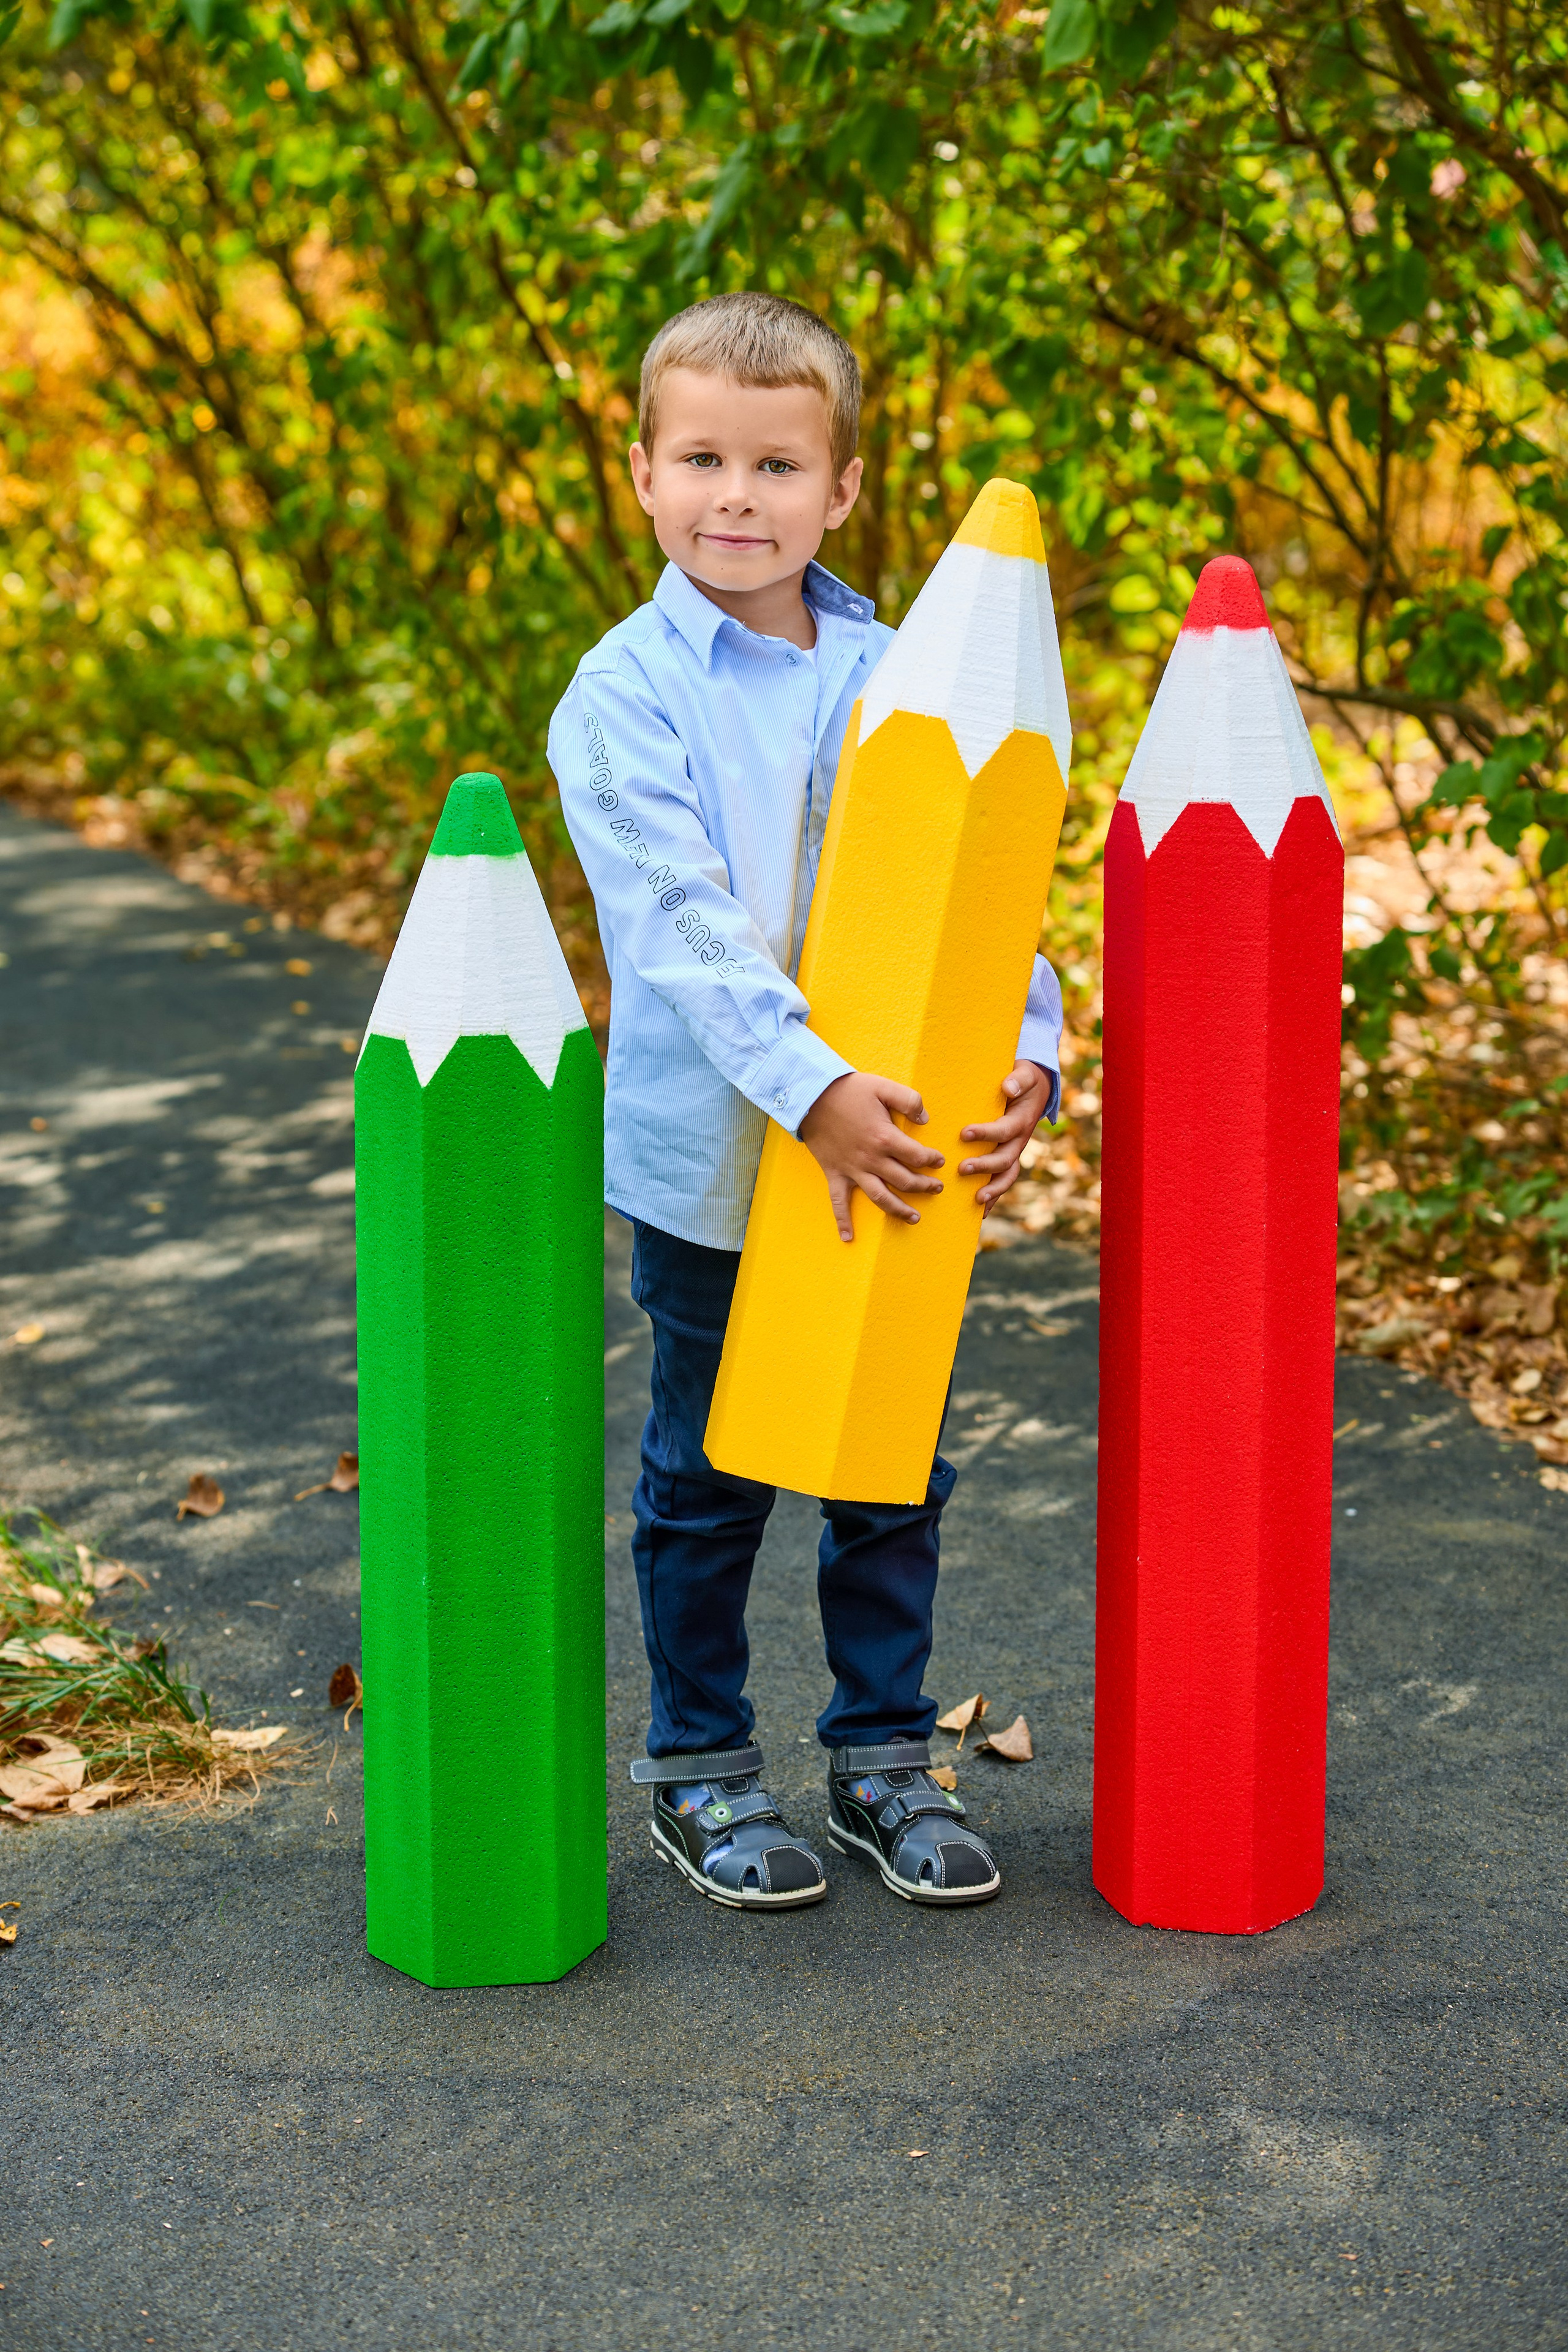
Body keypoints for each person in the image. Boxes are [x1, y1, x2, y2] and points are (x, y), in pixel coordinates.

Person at [548, 291, 1062, 1912]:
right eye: (703, 459)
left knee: (890, 1470)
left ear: (840, 490)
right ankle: (700, 1768)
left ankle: (883, 1760)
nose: (737, 497)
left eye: (776, 466)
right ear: (643, 472)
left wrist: (1030, 1052)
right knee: (710, 1480)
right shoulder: (622, 693)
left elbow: (984, 881)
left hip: (893, 1155)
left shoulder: (905, 667)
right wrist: (812, 1085)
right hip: (720, 1161)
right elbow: (682, 925)